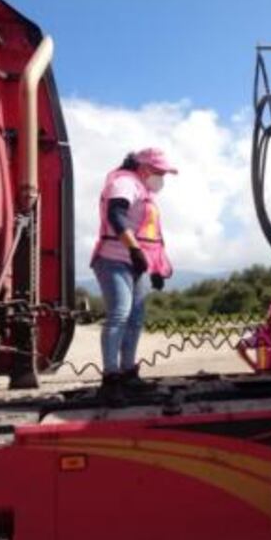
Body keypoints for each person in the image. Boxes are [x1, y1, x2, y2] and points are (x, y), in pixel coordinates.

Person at [91, 147, 177, 404]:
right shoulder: (125, 182)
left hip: (137, 262)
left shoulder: (144, 190)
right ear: (144, 167)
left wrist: (157, 267)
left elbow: (151, 234)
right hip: (113, 258)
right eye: (159, 171)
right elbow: (115, 215)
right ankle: (110, 379)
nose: (162, 177)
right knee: (120, 313)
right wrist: (135, 250)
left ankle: (128, 373)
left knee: (136, 317)